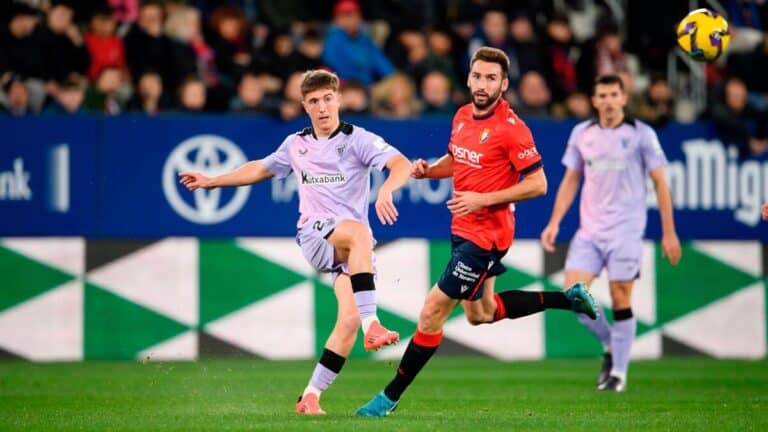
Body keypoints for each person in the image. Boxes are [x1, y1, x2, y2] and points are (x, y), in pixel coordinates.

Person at [355, 47, 598, 417]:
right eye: (477, 76)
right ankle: (569, 299)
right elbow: (457, 158)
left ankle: (388, 398)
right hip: (463, 227)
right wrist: (429, 171)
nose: (482, 84)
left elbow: (539, 184)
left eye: (491, 78)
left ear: (503, 84)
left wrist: (484, 199)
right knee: (480, 314)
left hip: (486, 236)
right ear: (468, 77)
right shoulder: (461, 115)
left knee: (432, 310)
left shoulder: (511, 128)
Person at [178, 69, 410, 415]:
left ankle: (310, 395)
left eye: (327, 99)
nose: (322, 107)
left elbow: (400, 163)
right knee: (362, 233)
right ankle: (372, 323)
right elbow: (260, 168)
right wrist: (214, 181)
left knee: (347, 320)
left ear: (339, 100)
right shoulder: (296, 144)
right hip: (315, 234)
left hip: (349, 248)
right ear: (304, 106)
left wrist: (388, 188)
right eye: (314, 101)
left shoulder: (358, 139)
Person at [540, 74, 682, 392]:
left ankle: (618, 373)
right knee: (573, 296)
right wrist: (554, 222)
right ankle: (611, 344)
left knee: (620, 298)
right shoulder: (582, 133)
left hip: (626, 231)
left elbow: (661, 183)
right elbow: (571, 180)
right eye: (601, 95)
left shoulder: (641, 135)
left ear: (623, 98)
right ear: (594, 100)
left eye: (613, 94)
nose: (607, 100)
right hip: (589, 231)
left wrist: (669, 233)